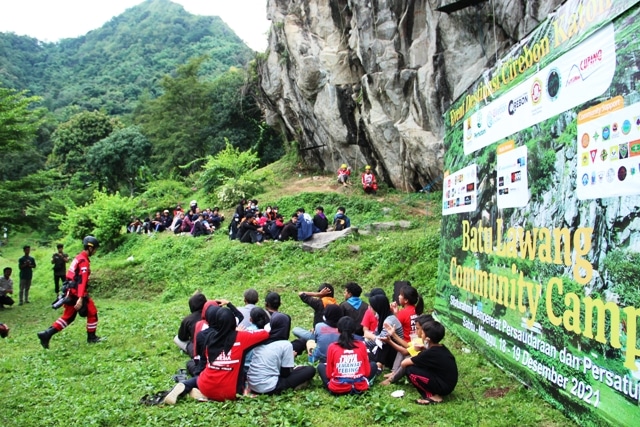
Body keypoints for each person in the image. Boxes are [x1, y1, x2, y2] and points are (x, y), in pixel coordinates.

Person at [163, 306, 270, 404]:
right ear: (233, 322)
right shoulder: (242, 337)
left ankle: (187, 387)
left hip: (206, 385)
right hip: (230, 392)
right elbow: (266, 333)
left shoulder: (209, 337)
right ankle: (203, 395)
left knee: (198, 378)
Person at [37, 236, 103, 348]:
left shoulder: (78, 257)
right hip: (77, 292)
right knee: (92, 312)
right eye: (95, 249)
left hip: (70, 291)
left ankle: (46, 334)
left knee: (68, 316)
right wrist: (81, 298)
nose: (95, 251)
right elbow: (82, 281)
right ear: (90, 248)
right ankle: (91, 337)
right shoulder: (83, 261)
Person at [247, 312, 316, 394]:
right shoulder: (285, 345)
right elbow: (285, 374)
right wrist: (290, 358)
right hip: (269, 387)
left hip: (252, 384)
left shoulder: (260, 337)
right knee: (310, 370)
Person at [402, 318, 458, 405]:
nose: (421, 334)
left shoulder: (430, 353)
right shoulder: (441, 347)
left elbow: (404, 363)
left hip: (444, 387)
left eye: (423, 333)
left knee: (410, 370)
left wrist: (415, 352)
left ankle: (432, 397)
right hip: (448, 383)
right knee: (418, 365)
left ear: (427, 339)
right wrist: (424, 349)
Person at [317, 316, 377, 395]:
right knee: (373, 365)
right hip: (359, 388)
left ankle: (330, 385)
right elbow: (367, 372)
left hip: (338, 388)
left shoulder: (332, 347)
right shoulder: (361, 345)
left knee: (321, 366)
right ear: (353, 331)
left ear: (338, 330)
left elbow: (329, 373)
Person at [174, 291, 208, 356]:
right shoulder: (213, 313)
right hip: (215, 345)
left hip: (198, 351)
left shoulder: (187, 320)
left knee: (176, 338)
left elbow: (182, 338)